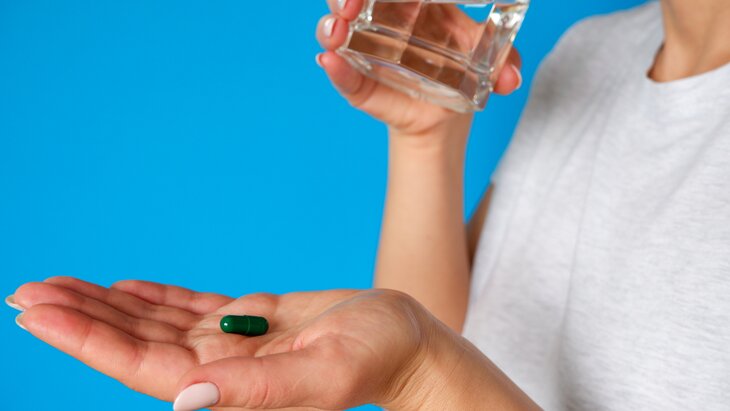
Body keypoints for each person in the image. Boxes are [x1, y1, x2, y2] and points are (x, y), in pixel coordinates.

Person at [7, 0, 730, 409]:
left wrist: (418, 372)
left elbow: (434, 360)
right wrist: (428, 136)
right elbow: (457, 335)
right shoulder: (592, 51)